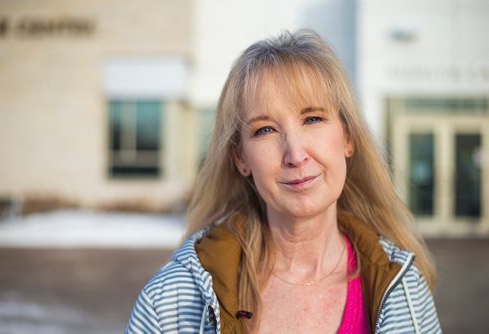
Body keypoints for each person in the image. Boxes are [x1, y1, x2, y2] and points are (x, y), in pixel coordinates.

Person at [126, 30, 442, 333]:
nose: (295, 154)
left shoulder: (404, 288)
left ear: (347, 137)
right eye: (265, 129)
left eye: (313, 119)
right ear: (240, 158)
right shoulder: (170, 302)